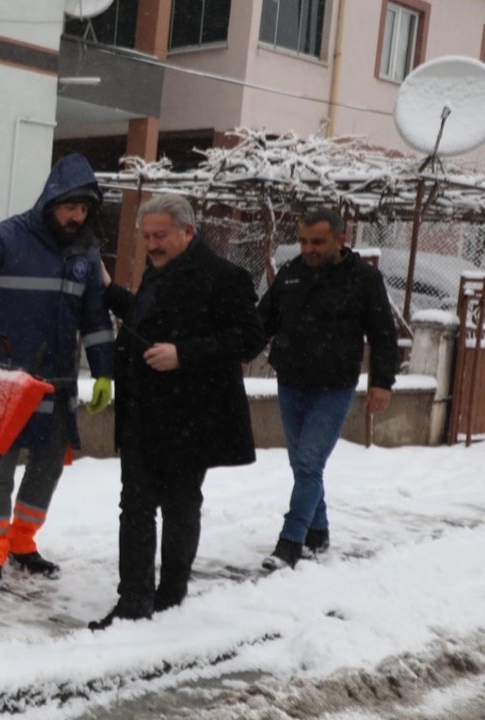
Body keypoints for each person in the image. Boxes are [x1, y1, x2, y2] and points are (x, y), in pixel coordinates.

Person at [0, 153, 115, 586]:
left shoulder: (86, 253)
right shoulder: (8, 237)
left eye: (83, 209)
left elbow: (96, 319)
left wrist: (104, 371)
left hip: (58, 382)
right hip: (7, 380)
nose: (76, 216)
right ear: (51, 200)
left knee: (48, 467)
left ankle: (23, 542)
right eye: (70, 206)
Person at [90, 194, 265, 630]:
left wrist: (184, 354)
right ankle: (133, 601)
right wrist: (110, 291)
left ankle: (170, 596)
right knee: (135, 506)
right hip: (142, 413)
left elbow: (249, 339)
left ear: (188, 231)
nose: (152, 244)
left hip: (191, 417)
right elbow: (144, 320)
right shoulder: (158, 271)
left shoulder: (225, 277)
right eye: (147, 236)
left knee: (180, 506)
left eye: (160, 236)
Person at [257, 208, 399, 570]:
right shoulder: (290, 274)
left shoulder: (364, 279)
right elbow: (262, 322)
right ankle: (318, 532)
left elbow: (384, 335)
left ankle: (290, 542)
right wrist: (229, 349)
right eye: (303, 241)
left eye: (318, 242)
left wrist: (381, 383)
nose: (309, 249)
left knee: (308, 462)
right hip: (291, 382)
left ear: (340, 239)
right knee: (302, 464)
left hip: (334, 387)